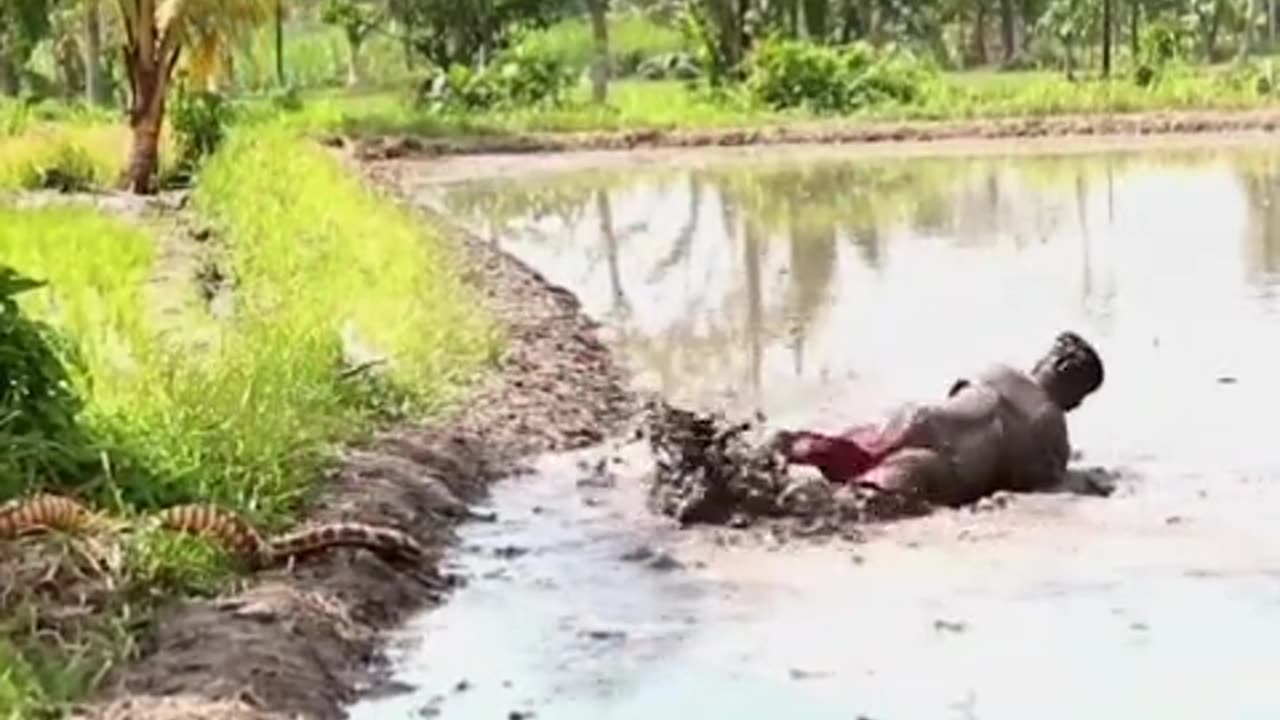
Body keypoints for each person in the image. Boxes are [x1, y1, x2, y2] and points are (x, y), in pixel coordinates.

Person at [771, 331, 1105, 508]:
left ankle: (768, 451)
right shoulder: (1051, 425)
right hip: (943, 465)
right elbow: (1039, 484)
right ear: (1070, 382)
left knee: (839, 451)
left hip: (910, 417)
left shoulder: (994, 370)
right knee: (850, 506)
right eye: (1083, 395)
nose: (1077, 406)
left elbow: (957, 400)